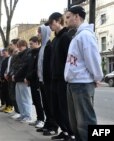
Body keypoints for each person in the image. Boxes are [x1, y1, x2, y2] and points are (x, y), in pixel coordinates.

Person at [64, 6, 103, 141]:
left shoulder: (85, 35)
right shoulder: (77, 35)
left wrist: (97, 77)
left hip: (82, 83)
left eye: (68, 17)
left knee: (85, 122)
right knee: (76, 123)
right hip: (73, 83)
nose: (66, 21)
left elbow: (93, 59)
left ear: (77, 16)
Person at [46, 12, 74, 140]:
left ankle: (70, 133)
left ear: (58, 21)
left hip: (63, 79)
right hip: (54, 78)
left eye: (52, 23)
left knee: (64, 107)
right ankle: (64, 130)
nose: (50, 26)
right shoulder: (55, 39)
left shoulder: (66, 37)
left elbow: (69, 60)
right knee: (55, 107)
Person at [37, 25, 58, 135]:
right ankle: (47, 123)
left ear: (45, 33)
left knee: (50, 105)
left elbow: (50, 65)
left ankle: (53, 127)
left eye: (39, 32)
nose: (38, 34)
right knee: (45, 104)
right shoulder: (42, 46)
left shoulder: (49, 46)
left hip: (48, 81)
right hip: (42, 80)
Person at [25, 36, 45, 128]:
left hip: (37, 80)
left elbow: (37, 68)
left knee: (39, 101)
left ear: (37, 42)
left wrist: (29, 76)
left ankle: (42, 120)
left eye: (31, 44)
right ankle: (38, 118)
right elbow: (29, 67)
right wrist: (27, 77)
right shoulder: (31, 53)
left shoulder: (40, 52)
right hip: (32, 80)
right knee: (35, 101)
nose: (30, 46)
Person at [12, 39, 32, 123]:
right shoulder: (20, 55)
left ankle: (27, 115)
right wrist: (14, 74)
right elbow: (16, 66)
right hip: (18, 79)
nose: (19, 48)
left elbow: (24, 67)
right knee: (19, 98)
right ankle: (22, 114)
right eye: (18, 46)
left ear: (24, 45)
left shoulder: (28, 53)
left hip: (23, 79)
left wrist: (16, 75)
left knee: (25, 98)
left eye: (20, 46)